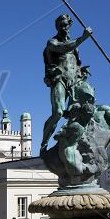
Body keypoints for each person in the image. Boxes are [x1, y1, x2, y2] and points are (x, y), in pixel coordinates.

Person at [41, 14, 93, 153]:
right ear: (57, 27)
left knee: (88, 102)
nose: (66, 28)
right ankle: (44, 143)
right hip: (59, 80)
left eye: (67, 25)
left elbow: (76, 63)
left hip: (75, 81)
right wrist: (83, 38)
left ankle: (79, 137)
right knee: (58, 113)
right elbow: (63, 48)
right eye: (62, 25)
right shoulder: (52, 43)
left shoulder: (75, 47)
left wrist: (81, 71)